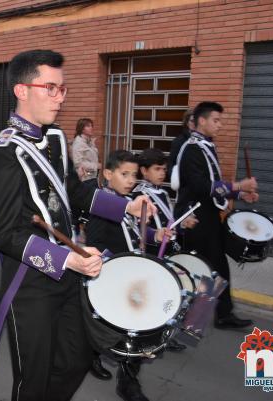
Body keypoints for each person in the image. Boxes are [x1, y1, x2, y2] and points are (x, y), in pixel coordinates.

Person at [0, 49, 155, 401]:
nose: (59, 98)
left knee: (77, 359)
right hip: (30, 284)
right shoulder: (4, 153)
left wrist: (125, 205)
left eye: (62, 89)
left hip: (70, 276)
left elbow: (74, 192)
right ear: (22, 90)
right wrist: (66, 259)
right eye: (51, 88)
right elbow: (6, 234)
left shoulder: (57, 139)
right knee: (32, 380)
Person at [85, 150, 173, 401]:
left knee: (134, 331)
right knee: (125, 331)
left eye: (133, 175)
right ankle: (120, 378)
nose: (130, 180)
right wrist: (119, 263)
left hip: (131, 277)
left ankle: (125, 378)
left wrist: (155, 236)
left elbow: (133, 233)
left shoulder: (127, 202)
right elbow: (95, 244)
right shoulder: (103, 205)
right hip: (114, 278)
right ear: (108, 174)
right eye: (124, 174)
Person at [174, 101, 258, 329]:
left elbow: (213, 186)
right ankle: (190, 319)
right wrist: (239, 186)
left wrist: (241, 194)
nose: (220, 125)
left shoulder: (205, 146)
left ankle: (218, 314)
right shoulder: (192, 149)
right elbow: (202, 186)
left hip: (208, 216)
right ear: (202, 121)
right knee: (202, 269)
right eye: (216, 120)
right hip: (195, 218)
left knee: (212, 268)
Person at [134, 148, 198, 255]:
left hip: (168, 249)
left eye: (164, 169)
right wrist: (156, 234)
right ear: (144, 171)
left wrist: (182, 224)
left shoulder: (164, 193)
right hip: (152, 252)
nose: (162, 173)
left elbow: (169, 222)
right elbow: (138, 229)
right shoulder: (139, 195)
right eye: (157, 169)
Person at [71, 117, 100, 184]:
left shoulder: (89, 142)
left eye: (91, 126)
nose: (91, 128)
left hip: (92, 177)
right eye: (88, 126)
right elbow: (77, 163)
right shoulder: (79, 143)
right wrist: (96, 166)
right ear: (82, 129)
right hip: (84, 179)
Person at [167, 108, 193, 181]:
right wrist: (177, 180)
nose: (194, 123)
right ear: (187, 123)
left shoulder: (204, 140)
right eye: (192, 121)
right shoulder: (179, 141)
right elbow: (171, 163)